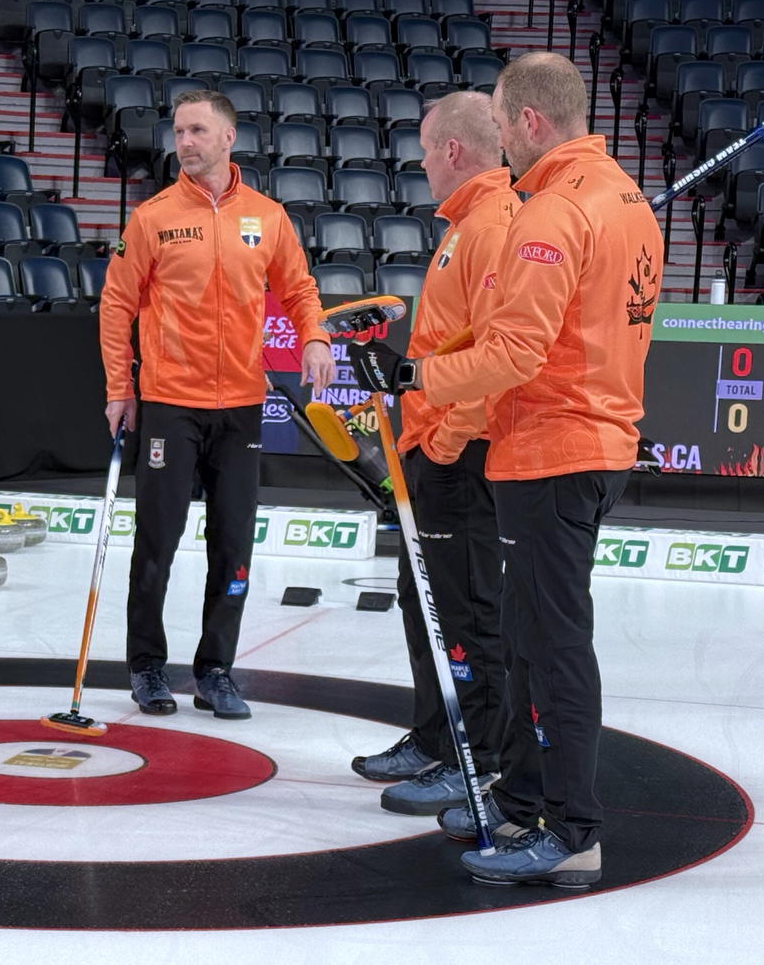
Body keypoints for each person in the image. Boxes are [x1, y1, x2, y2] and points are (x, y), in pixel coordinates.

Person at [350, 53, 662, 888]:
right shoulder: (626, 199)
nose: (498, 138)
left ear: (528, 122)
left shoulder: (551, 213)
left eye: (502, 119)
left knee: (552, 647)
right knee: (531, 641)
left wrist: (415, 377)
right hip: (588, 442)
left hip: (555, 449)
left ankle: (573, 830)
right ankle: (525, 798)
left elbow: (516, 352)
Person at [99, 89, 336, 721]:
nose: (186, 142)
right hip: (169, 406)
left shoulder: (268, 216)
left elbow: (299, 287)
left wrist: (313, 335)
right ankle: (147, 666)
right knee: (157, 543)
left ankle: (216, 670)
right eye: (179, 131)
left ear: (228, 138)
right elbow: (116, 304)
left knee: (233, 546)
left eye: (198, 130)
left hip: (240, 408)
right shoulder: (152, 217)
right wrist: (120, 388)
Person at [349, 91, 516, 819]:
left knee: (465, 612)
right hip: (428, 447)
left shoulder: (495, 223)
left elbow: (498, 354)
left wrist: (446, 441)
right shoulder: (463, 224)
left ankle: (471, 760)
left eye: (424, 147)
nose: (419, 161)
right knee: (426, 606)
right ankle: (433, 732)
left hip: (461, 455)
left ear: (453, 149)